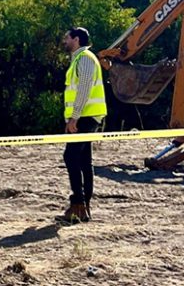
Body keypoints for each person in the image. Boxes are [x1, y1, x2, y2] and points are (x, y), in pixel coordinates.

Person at [59, 27, 107, 224]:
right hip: (86, 116)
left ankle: (79, 203)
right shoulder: (80, 59)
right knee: (84, 160)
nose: (64, 41)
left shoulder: (85, 58)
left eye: (67, 38)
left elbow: (84, 89)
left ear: (76, 39)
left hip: (86, 116)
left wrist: (74, 118)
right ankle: (83, 207)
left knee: (71, 157)